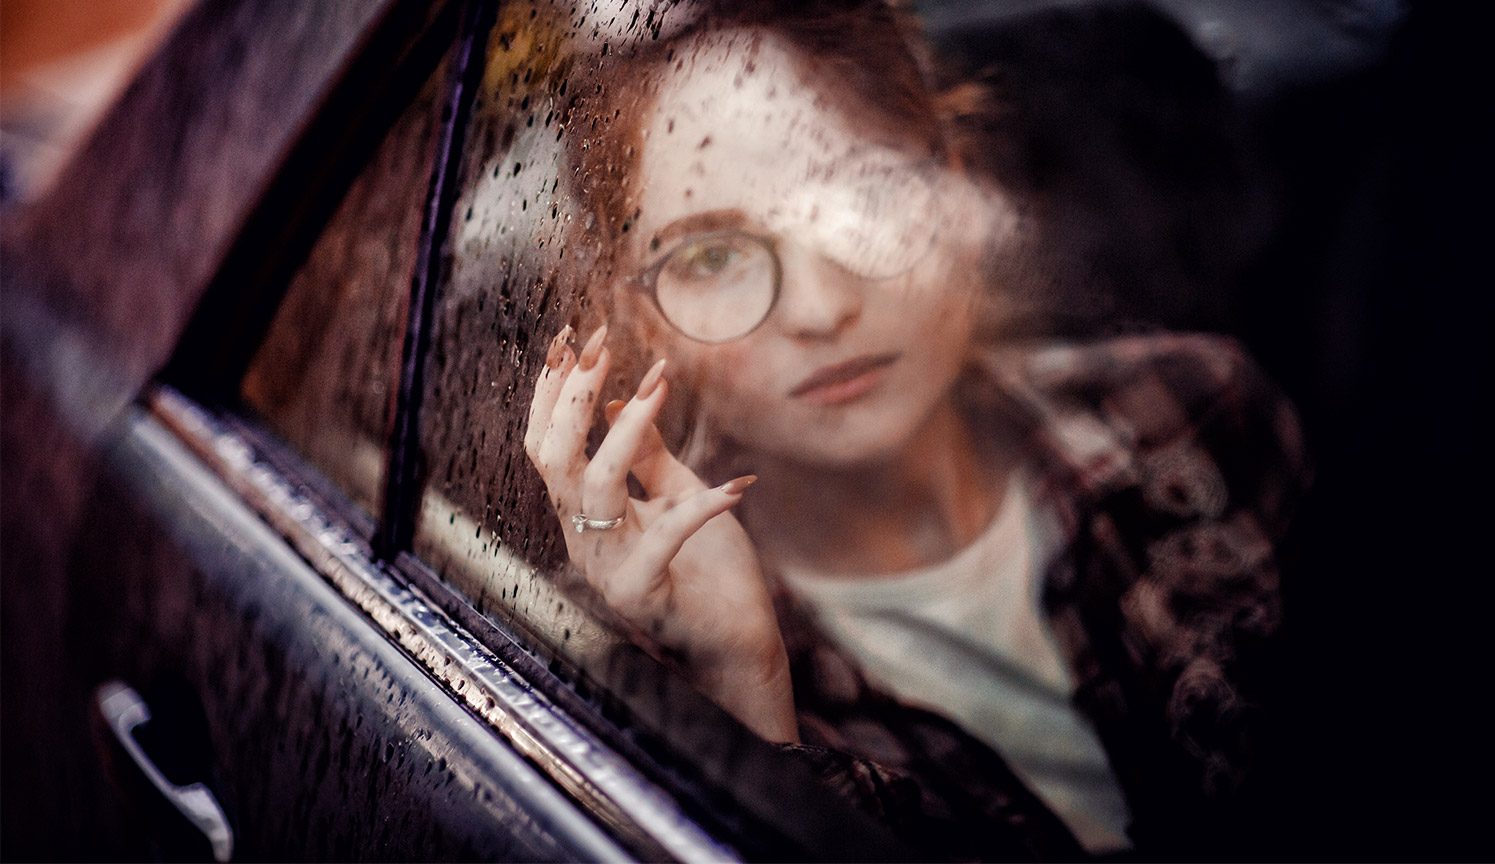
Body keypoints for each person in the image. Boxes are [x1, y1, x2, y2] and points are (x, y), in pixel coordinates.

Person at [522, 1, 1308, 857]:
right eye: (711, 257)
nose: (824, 311)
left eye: (863, 198)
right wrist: (744, 694)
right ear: (642, 319)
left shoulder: (1193, 409)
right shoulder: (637, 654)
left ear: (959, 187)